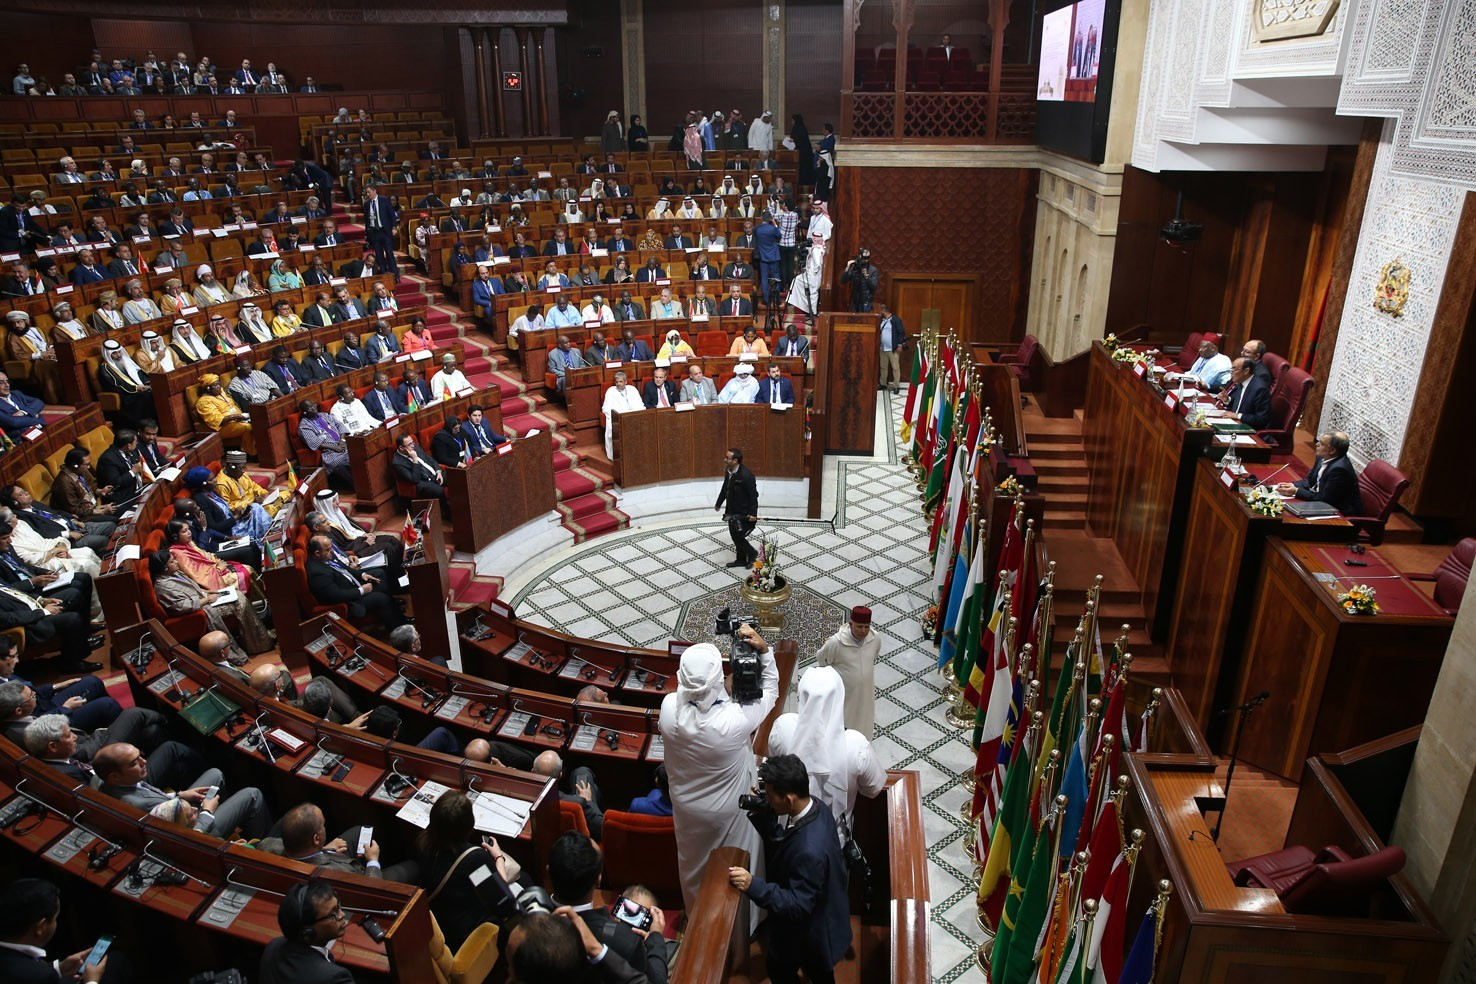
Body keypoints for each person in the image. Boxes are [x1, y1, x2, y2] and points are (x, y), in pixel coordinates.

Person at [659, 629, 778, 912]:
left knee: (693, 864)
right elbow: (772, 691)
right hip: (728, 812)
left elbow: (692, 700)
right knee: (736, 866)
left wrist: (721, 689)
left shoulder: (668, 710)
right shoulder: (733, 722)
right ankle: (744, 927)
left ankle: (695, 914)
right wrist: (764, 652)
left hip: (688, 809)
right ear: (716, 682)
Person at [726, 754, 851, 984]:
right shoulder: (817, 807)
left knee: (782, 971)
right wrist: (761, 813)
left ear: (790, 798)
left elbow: (798, 905)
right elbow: (786, 844)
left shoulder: (809, 851)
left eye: (771, 796)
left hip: (809, 933)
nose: (769, 800)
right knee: (820, 974)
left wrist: (753, 885)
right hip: (822, 912)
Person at [767, 666, 887, 840]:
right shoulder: (856, 744)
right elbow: (874, 789)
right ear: (840, 698)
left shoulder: (783, 727)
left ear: (801, 696)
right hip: (834, 839)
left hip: (788, 833)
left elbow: (774, 763)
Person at [547, 831, 672, 984]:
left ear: (549, 871)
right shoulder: (625, 942)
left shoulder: (530, 917)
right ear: (599, 880)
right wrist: (656, 938)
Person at [94, 741, 272, 839]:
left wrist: (179, 795)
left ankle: (229, 821)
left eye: (140, 755)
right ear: (114, 776)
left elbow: (154, 800)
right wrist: (208, 811)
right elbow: (186, 837)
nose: (144, 761)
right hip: (198, 831)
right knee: (252, 795)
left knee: (214, 774)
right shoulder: (138, 805)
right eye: (134, 762)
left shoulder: (101, 782)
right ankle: (262, 844)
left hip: (180, 811)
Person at [413, 792, 519, 951]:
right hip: (467, 936)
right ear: (470, 824)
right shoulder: (473, 860)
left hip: (441, 922)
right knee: (524, 881)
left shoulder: (425, 843)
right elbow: (501, 901)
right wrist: (498, 858)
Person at [149, 549, 274, 655]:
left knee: (237, 594)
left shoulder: (174, 573)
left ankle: (257, 638)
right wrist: (208, 599)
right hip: (201, 610)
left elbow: (194, 587)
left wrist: (209, 592)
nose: (176, 562)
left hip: (205, 599)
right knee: (239, 602)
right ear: (164, 567)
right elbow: (181, 607)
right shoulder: (163, 587)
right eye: (172, 561)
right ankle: (258, 644)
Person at [257, 802, 416, 881]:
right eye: (323, 826)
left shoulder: (267, 845)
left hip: (320, 854)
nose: (324, 827)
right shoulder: (338, 874)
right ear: (316, 839)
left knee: (359, 831)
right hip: (366, 877)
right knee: (413, 867)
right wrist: (373, 861)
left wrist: (323, 849)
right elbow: (370, 890)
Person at [0, 878, 115, 984]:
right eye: (56, 918)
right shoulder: (41, 976)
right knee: (117, 962)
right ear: (41, 927)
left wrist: (59, 968)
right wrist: (92, 981)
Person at [258, 881, 357, 984]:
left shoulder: (273, 946)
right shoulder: (335, 978)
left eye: (338, 907)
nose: (342, 915)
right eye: (333, 914)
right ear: (308, 933)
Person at [305, 534, 407, 630]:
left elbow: (344, 568)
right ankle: (400, 629)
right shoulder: (317, 573)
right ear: (317, 553)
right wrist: (361, 590)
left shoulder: (326, 556)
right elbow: (335, 595)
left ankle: (393, 611)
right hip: (350, 600)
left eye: (331, 547)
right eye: (328, 549)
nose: (332, 551)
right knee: (381, 598)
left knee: (380, 574)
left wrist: (362, 575)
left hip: (353, 584)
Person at [814, 606, 879, 738]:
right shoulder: (836, 643)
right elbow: (822, 659)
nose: (863, 631)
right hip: (844, 697)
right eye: (859, 626)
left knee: (864, 726)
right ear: (850, 624)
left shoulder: (875, 639)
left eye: (867, 627)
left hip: (865, 696)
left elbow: (874, 656)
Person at [1275, 431, 1364, 515]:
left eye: (1321, 443)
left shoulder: (1340, 470)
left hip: (1340, 514)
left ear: (1332, 450)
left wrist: (1296, 491)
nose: (1316, 444)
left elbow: (1325, 499)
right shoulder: (1322, 457)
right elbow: (1309, 481)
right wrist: (1290, 485)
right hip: (1320, 501)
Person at [533, 750, 606, 839]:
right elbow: (601, 828)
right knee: (587, 778)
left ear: (532, 771)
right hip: (581, 837)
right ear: (560, 776)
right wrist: (588, 801)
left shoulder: (517, 788)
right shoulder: (579, 803)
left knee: (582, 771)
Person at [715, 447, 757, 567]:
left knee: (738, 536)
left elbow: (753, 496)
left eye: (727, 458)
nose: (724, 459)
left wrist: (753, 514)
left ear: (735, 461)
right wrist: (719, 503)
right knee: (734, 535)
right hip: (731, 510)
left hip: (743, 512)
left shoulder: (746, 476)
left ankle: (752, 553)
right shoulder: (728, 471)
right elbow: (725, 488)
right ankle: (741, 559)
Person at [194, 374, 256, 455]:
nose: (219, 387)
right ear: (208, 388)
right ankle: (252, 453)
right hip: (223, 428)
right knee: (247, 427)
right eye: (216, 385)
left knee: (257, 420)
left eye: (219, 384)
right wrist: (235, 416)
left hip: (238, 419)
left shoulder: (220, 392)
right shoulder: (204, 402)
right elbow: (218, 421)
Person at [1220, 356, 1272, 429]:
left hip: (1248, 429)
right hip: (1233, 423)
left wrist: (1237, 416)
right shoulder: (1241, 381)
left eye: (1234, 370)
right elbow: (1241, 404)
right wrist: (1227, 400)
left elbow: (1261, 420)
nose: (1231, 373)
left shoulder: (1259, 389)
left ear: (1246, 371)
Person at [0, 370, 47, 439]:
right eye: (1, 383)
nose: (7, 385)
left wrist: (23, 412)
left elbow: (38, 402)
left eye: (7, 381)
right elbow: (13, 422)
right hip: (19, 438)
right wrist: (34, 416)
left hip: (36, 429)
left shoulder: (16, 393)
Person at [876, 303, 907, 391]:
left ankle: (896, 385)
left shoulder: (895, 320)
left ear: (883, 310)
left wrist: (899, 345)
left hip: (893, 349)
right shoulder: (881, 320)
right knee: (883, 367)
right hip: (882, 348)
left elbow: (901, 333)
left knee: (895, 367)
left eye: (880, 311)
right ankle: (883, 383)